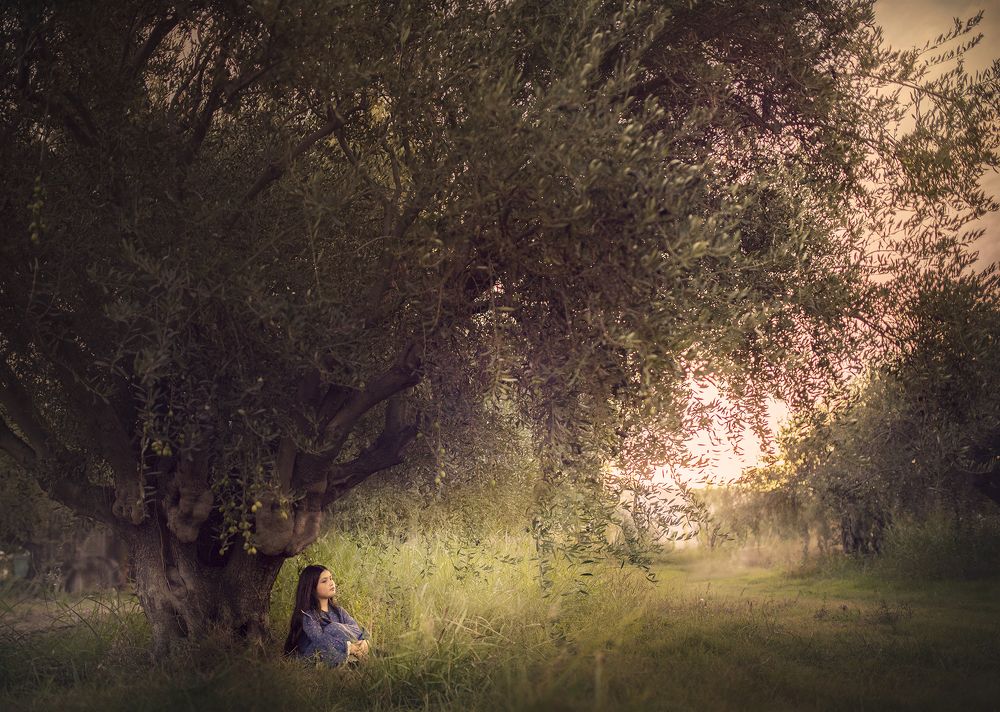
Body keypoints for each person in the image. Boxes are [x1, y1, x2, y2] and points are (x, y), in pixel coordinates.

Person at [283, 564, 371, 666]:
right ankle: (348, 660)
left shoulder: (339, 611)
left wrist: (364, 641)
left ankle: (357, 656)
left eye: (331, 578)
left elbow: (356, 630)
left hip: (339, 650)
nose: (331, 583)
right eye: (324, 581)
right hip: (317, 655)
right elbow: (319, 641)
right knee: (332, 630)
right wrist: (348, 646)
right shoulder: (309, 616)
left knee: (357, 637)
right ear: (312, 588)